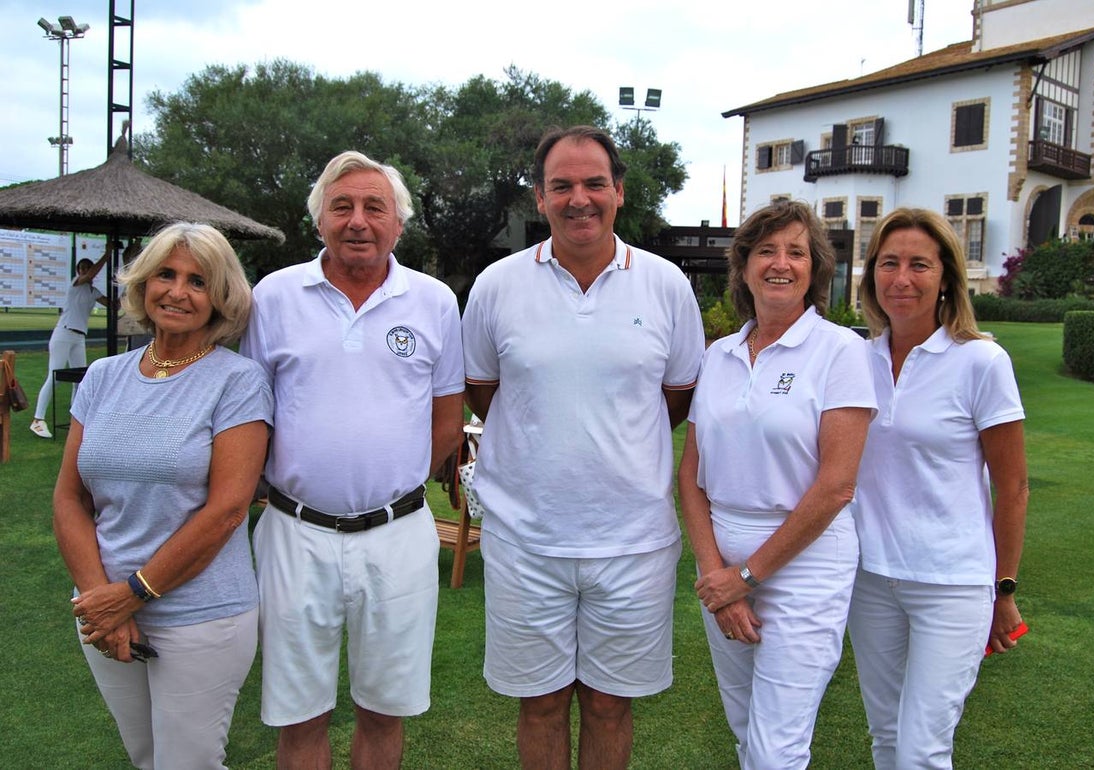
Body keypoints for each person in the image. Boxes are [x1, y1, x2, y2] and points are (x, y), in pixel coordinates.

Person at [462, 125, 705, 769]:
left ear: (619, 192)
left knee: (607, 704)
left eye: (595, 183)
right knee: (539, 704)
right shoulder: (496, 284)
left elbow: (676, 396)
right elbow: (485, 389)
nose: (580, 199)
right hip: (525, 538)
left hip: (633, 540)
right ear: (538, 198)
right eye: (561, 185)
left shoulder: (665, 284)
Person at [241, 150, 464, 769]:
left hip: (397, 535)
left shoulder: (435, 301)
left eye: (374, 207)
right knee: (298, 712)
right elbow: (251, 412)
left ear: (399, 224)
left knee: (383, 710)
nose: (358, 220)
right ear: (319, 221)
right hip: (293, 532)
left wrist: (391, 483)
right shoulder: (275, 296)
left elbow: (447, 420)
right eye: (342, 206)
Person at [53, 222, 273, 769]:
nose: (178, 292)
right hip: (103, 608)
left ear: (220, 298)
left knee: (188, 763)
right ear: (143, 283)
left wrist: (132, 594)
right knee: (146, 757)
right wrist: (100, 597)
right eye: (166, 275)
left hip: (200, 614)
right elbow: (69, 498)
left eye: (198, 281)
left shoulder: (237, 381)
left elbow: (226, 512)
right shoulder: (103, 377)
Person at [677, 200, 876, 769]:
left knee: (775, 749)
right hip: (721, 559)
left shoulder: (841, 351)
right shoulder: (719, 355)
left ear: (815, 269)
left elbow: (837, 486)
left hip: (805, 562)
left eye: (795, 252)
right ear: (743, 267)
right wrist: (717, 573)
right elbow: (691, 476)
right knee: (745, 731)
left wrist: (745, 577)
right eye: (765, 251)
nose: (780, 263)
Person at [847, 207, 1029, 769]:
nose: (902, 278)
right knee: (885, 736)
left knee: (923, 748)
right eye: (889, 263)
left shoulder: (981, 361)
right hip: (870, 579)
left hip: (951, 585)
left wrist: (1003, 590)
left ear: (946, 276)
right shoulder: (855, 358)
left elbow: (1014, 485)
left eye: (919, 265)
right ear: (872, 273)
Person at [30, 244, 111, 438]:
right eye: (81, 268)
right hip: (63, 334)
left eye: (86, 267)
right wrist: (107, 253)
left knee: (81, 379)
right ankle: (37, 420)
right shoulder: (76, 283)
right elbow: (90, 276)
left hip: (79, 337)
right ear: (78, 272)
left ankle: (76, 419)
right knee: (55, 377)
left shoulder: (93, 292)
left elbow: (112, 305)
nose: (83, 271)